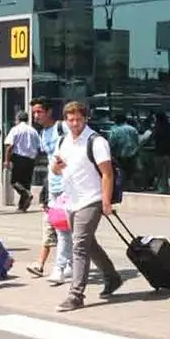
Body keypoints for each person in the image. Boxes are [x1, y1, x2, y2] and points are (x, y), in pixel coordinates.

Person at [51, 101, 124, 312]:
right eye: (70, 119)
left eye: (78, 119)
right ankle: (112, 277)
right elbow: (57, 170)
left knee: (79, 245)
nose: (74, 123)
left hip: (91, 199)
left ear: (85, 118)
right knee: (88, 244)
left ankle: (76, 295)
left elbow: (108, 173)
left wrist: (106, 201)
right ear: (65, 120)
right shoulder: (64, 141)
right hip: (72, 200)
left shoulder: (96, 141)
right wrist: (56, 168)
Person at [29, 98, 72, 284]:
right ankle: (70, 263)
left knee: (63, 229)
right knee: (62, 227)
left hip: (68, 186)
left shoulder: (62, 128)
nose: (36, 116)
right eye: (34, 112)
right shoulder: (42, 133)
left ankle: (60, 267)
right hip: (54, 186)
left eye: (39, 112)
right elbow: (48, 161)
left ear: (48, 112)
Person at [4, 111, 40, 212]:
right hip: (30, 159)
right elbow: (38, 146)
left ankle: (25, 194)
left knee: (14, 181)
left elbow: (9, 145)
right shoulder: (33, 131)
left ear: (18, 119)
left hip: (19, 158)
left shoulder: (15, 129)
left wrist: (7, 160)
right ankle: (22, 206)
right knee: (26, 182)